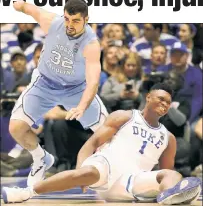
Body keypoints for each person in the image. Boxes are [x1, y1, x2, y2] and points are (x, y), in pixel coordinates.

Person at [3, 83, 201, 205]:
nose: (165, 104)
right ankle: (27, 192)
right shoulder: (124, 116)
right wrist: (80, 167)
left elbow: (165, 171)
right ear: (148, 97)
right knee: (85, 173)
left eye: (168, 102)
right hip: (107, 165)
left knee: (173, 175)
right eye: (161, 99)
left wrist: (167, 182)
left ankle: (172, 198)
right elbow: (92, 143)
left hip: (131, 179)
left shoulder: (169, 138)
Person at [9, 0, 108, 187]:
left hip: (76, 89)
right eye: (67, 19)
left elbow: (93, 81)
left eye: (75, 21)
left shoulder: (91, 44)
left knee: (107, 132)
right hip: (44, 84)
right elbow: (29, 8)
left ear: (86, 20)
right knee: (16, 128)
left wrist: (82, 106)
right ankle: (41, 158)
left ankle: (108, 171)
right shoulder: (53, 22)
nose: (69, 25)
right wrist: (18, 4)